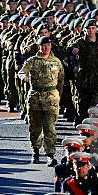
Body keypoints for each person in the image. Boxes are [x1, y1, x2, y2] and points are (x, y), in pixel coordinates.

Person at [18, 36, 64, 166]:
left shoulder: (56, 62)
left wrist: (58, 96)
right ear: (39, 46)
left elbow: (61, 80)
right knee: (35, 128)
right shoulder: (32, 61)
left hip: (51, 99)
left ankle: (50, 155)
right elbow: (22, 72)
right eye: (43, 45)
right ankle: (35, 151)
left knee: (50, 128)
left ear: (51, 46)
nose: (46, 48)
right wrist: (24, 77)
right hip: (35, 98)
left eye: (48, 45)